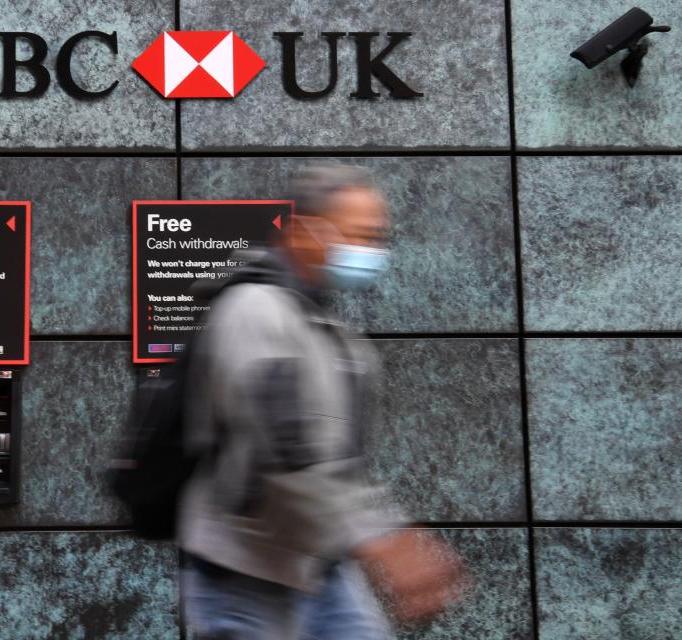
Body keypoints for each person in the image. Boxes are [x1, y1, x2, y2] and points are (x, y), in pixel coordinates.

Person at [177, 164, 466, 639]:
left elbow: (338, 464)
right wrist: (379, 542)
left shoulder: (330, 333)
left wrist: (377, 532)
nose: (371, 250)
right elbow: (278, 448)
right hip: (242, 572)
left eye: (377, 238)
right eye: (361, 235)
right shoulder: (255, 310)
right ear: (306, 232)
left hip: (317, 562)